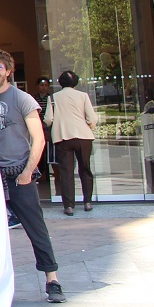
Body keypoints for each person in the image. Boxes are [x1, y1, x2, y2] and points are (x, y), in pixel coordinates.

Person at [0, 49, 64, 303]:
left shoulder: (23, 98)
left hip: (20, 172)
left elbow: (38, 139)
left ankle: (52, 280)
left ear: (8, 71)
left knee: (36, 227)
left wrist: (27, 173)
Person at [48, 71, 98, 215]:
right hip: (83, 137)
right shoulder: (83, 96)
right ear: (75, 82)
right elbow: (92, 118)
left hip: (63, 137)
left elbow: (48, 119)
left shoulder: (53, 98)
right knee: (85, 168)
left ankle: (69, 206)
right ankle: (87, 202)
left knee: (66, 172)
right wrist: (89, 127)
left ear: (60, 82)